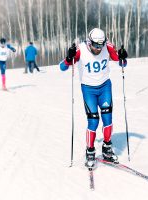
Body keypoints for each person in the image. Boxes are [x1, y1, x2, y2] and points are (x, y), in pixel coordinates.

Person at [59, 28, 128, 169]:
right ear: (89, 42)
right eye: (96, 46)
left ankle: (107, 147)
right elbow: (62, 67)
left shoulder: (107, 46)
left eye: (100, 46)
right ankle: (90, 151)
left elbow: (122, 63)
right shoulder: (80, 49)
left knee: (108, 119)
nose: (98, 49)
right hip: (88, 89)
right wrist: (68, 58)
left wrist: (123, 57)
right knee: (93, 121)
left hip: (104, 87)